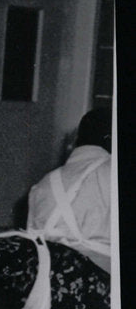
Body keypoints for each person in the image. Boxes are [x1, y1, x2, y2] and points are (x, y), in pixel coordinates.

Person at [27, 108, 112, 274]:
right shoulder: (111, 174)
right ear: (111, 140)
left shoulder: (43, 184)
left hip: (46, 286)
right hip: (101, 283)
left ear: (76, 140)